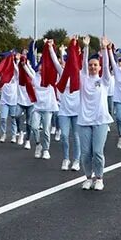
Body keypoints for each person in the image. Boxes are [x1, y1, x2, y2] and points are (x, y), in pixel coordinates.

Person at [77, 36, 114, 190]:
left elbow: (107, 68)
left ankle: (99, 178)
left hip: (100, 120)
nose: (93, 67)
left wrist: (105, 49)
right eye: (91, 65)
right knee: (85, 153)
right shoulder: (83, 79)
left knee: (97, 152)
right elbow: (83, 65)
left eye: (95, 65)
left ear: (99, 67)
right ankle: (87, 177)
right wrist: (85, 48)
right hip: (84, 121)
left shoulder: (104, 81)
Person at [50, 42, 82, 171]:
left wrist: (80, 49)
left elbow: (82, 61)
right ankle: (66, 158)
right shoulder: (62, 72)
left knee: (76, 136)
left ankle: (76, 160)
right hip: (64, 110)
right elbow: (54, 60)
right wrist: (50, 47)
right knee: (64, 136)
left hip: (77, 111)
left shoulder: (80, 73)